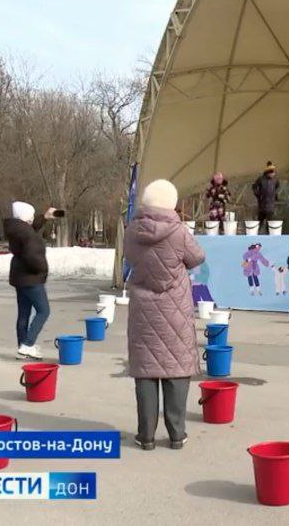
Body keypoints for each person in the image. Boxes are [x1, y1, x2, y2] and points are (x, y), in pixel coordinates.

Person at [124, 179, 205, 450]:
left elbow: (130, 257)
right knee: (176, 369)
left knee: (145, 371)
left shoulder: (131, 231)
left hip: (143, 309)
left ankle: (145, 436)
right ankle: (177, 434)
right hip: (175, 309)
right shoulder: (179, 232)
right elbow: (197, 258)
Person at [4, 201, 57, 360]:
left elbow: (31, 229)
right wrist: (43, 270)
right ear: (26, 218)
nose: (33, 218)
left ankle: (22, 347)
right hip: (31, 278)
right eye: (32, 216)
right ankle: (28, 344)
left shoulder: (17, 230)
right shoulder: (27, 235)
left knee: (23, 314)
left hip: (20, 276)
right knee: (43, 311)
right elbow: (33, 257)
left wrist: (45, 217)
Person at [252, 161, 280, 234]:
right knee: (260, 220)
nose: (273, 174)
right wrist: (258, 194)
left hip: (271, 204)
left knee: (269, 222)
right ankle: (256, 233)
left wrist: (276, 194)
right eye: (272, 173)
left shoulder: (275, 180)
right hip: (262, 203)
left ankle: (269, 235)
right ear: (268, 173)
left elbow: (278, 187)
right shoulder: (261, 179)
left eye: (274, 173)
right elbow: (254, 187)